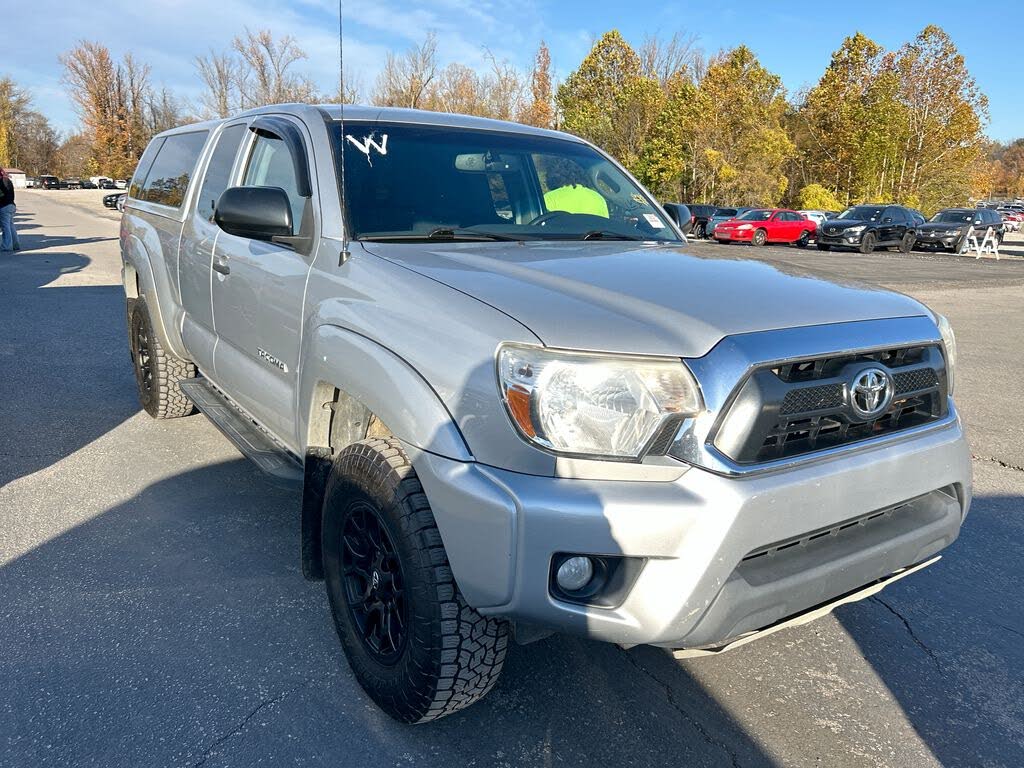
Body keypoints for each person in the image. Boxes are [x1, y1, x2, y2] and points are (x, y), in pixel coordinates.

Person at [542, 164, 609, 218]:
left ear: (552, 177)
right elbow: (605, 228)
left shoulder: (549, 199)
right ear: (581, 174)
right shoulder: (598, 199)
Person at [0, 168, 20, 252]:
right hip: (12, 205)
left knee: (6, 227)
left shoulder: (1, 182)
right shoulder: (7, 180)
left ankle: (7, 246)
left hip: (4, 206)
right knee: (11, 226)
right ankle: (15, 244)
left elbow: (1, 195)